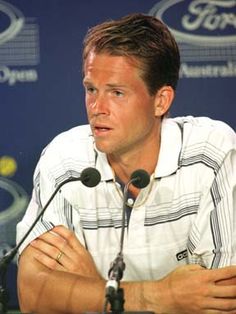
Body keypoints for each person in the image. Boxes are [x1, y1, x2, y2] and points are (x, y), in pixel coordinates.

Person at [17, 13, 236, 314]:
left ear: (161, 101)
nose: (96, 108)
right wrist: (159, 297)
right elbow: (33, 295)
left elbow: (223, 302)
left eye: (117, 93)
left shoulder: (211, 155)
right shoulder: (65, 161)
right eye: (91, 89)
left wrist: (92, 287)